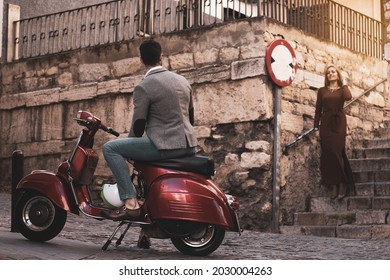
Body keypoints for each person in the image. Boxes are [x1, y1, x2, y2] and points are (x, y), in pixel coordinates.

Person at [102, 39, 197, 221]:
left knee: (110, 148)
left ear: (141, 60)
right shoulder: (183, 81)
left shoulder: (144, 86)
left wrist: (130, 147)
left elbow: (138, 126)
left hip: (164, 146)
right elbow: (191, 118)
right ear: (162, 57)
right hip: (189, 145)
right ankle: (145, 223)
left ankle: (130, 203)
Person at [313, 65, 355, 200]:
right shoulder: (322, 91)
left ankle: (342, 184)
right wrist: (316, 128)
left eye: (333, 72)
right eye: (328, 72)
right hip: (325, 124)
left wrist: (345, 85)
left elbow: (349, 97)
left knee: (337, 152)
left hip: (339, 123)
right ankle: (334, 185)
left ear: (338, 74)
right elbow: (318, 110)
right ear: (326, 76)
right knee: (328, 154)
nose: (330, 74)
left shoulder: (343, 89)